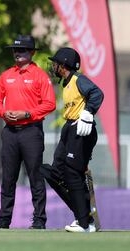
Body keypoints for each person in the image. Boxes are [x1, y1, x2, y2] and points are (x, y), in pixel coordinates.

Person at [0, 35, 56, 229]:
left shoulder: (40, 76)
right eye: (15, 50)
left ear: (32, 53)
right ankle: (4, 220)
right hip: (10, 132)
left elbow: (50, 104)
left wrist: (26, 113)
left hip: (31, 132)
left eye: (22, 50)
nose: (17, 53)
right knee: (8, 178)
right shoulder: (6, 75)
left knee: (35, 176)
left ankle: (39, 220)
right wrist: (4, 113)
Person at [42, 47, 104, 233]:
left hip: (81, 127)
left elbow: (97, 94)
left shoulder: (78, 79)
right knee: (53, 173)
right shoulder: (67, 84)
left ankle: (85, 223)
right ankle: (83, 213)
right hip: (69, 129)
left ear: (64, 65)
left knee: (72, 172)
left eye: (56, 64)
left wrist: (87, 113)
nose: (53, 67)